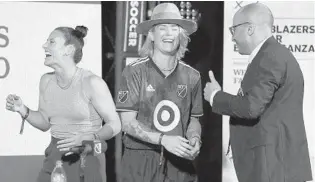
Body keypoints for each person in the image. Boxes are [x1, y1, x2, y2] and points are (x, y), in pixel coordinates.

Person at [203, 3, 312, 182]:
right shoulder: (272, 54)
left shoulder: (269, 56)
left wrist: (215, 96)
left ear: (250, 29)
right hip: (274, 167)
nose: (232, 38)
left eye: (233, 30)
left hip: (272, 169)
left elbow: (251, 107)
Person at [5, 25, 121, 182]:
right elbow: (45, 122)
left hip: (87, 155)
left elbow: (115, 124)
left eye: (51, 42)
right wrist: (23, 109)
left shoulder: (92, 82)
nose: (44, 45)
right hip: (55, 156)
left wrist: (90, 136)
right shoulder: (46, 81)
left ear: (69, 49)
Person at [115, 3, 203, 182]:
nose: (169, 34)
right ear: (152, 35)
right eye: (162, 28)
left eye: (174, 28)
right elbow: (127, 123)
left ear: (181, 35)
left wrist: (195, 138)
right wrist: (163, 140)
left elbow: (194, 118)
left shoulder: (192, 76)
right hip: (140, 161)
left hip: (180, 162)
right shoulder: (134, 72)